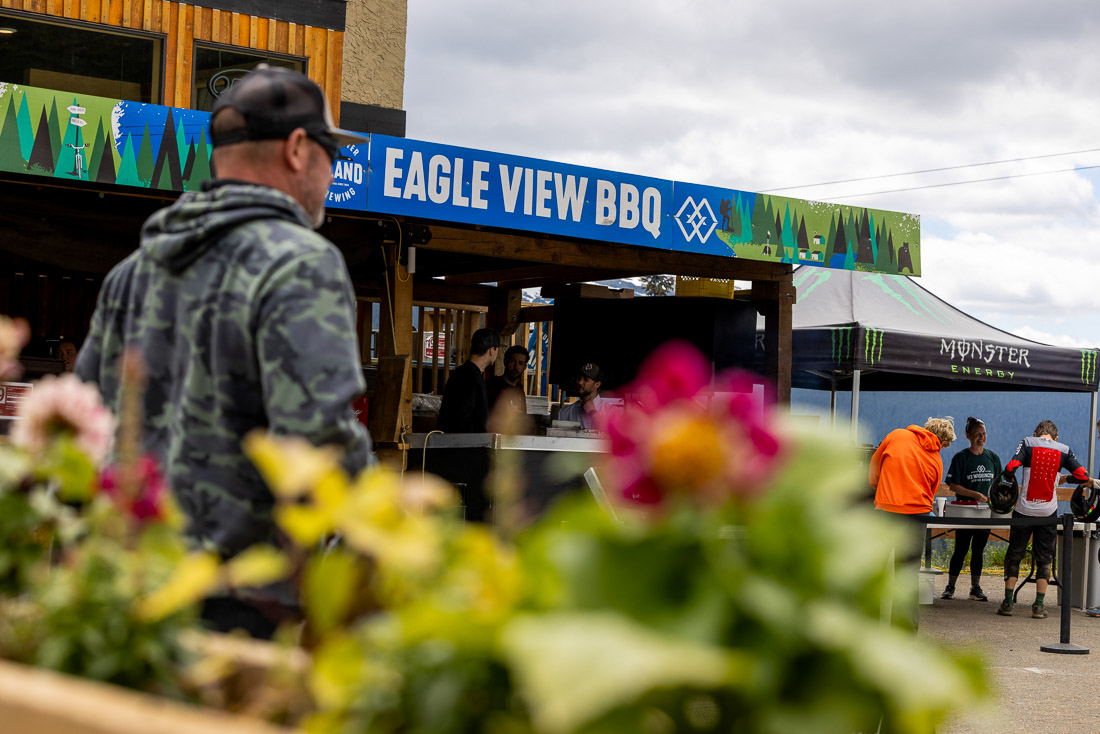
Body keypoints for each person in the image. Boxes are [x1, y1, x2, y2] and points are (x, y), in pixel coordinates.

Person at [75, 65, 374, 637]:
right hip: (249, 605)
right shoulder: (300, 264)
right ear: (295, 149)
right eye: (330, 155)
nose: (332, 174)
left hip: (127, 592)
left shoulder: (131, 273)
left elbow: (84, 428)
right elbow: (318, 447)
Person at [868, 417, 956, 630]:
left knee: (874, 572)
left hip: (886, 513)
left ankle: (869, 631)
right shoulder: (936, 459)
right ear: (943, 442)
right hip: (917, 517)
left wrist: (880, 489)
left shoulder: (896, 435)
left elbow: (874, 469)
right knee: (907, 576)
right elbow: (932, 491)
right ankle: (905, 634)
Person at [998, 419, 1090, 619]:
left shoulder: (1028, 443)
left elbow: (1011, 467)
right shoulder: (1063, 449)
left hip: (1024, 510)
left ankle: (1007, 603)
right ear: (1055, 438)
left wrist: (1010, 479)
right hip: (1048, 512)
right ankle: (1038, 606)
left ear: (1036, 433)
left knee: (1014, 554)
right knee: (1045, 559)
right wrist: (1066, 477)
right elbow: (1083, 476)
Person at [941, 417, 1001, 602]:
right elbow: (952, 485)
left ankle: (975, 587)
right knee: (961, 548)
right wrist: (974, 494)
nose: (981, 438)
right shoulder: (961, 457)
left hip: (985, 511)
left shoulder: (992, 457)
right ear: (968, 435)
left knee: (978, 549)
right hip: (965, 511)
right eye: (977, 434)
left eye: (983, 434)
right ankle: (950, 586)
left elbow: (999, 482)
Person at [437, 327, 501, 433]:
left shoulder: (466, 373)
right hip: (461, 446)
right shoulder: (468, 377)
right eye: (497, 350)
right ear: (492, 350)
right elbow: (460, 419)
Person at [558, 362, 609, 430]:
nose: (580, 382)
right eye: (579, 378)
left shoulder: (611, 411)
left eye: (586, 379)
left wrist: (593, 412)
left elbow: (616, 437)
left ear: (597, 384)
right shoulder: (565, 413)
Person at [486, 344, 528, 416]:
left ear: (525, 367)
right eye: (512, 361)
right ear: (505, 362)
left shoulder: (520, 389)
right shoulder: (493, 385)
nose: (516, 367)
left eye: (520, 363)